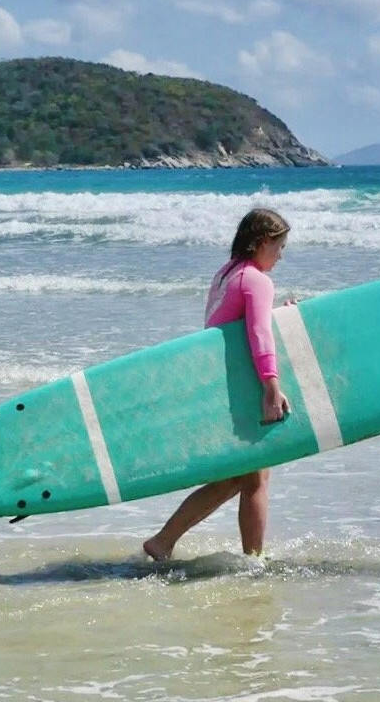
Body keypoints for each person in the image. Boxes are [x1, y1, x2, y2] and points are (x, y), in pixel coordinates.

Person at [143, 208, 291, 561]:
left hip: (221, 385)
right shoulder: (256, 279)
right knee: (252, 477)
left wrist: (281, 315)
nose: (281, 255)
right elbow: (257, 334)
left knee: (246, 476)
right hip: (241, 389)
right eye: (279, 246)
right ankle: (251, 560)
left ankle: (165, 542)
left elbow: (235, 328)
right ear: (261, 243)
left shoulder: (228, 274)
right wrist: (271, 385)